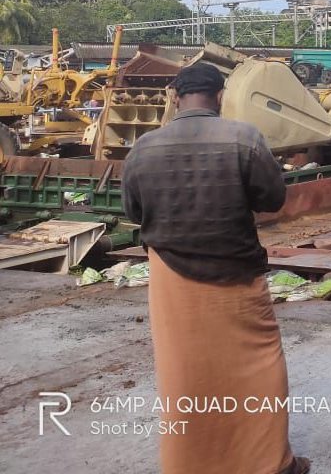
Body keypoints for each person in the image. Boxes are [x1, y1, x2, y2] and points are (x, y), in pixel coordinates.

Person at [121, 61, 310, 474]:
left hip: (172, 281)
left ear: (175, 97)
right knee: (259, 367)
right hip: (237, 273)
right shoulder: (245, 138)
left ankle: (190, 463)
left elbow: (134, 211)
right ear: (220, 96)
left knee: (185, 372)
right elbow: (272, 199)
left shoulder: (143, 148)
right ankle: (271, 463)